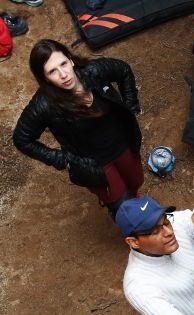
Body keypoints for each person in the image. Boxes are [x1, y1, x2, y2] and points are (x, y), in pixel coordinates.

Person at [13, 39, 144, 217]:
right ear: (45, 77)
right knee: (121, 204)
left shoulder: (93, 72)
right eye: (53, 71)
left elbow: (123, 70)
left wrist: (132, 107)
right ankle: (127, 219)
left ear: (71, 60)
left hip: (122, 144)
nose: (63, 74)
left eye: (63, 64)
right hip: (93, 163)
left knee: (136, 181)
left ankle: (133, 201)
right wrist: (62, 159)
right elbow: (22, 138)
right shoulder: (44, 104)